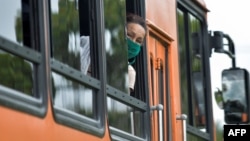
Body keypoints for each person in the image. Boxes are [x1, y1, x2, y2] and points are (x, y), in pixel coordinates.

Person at [126, 13, 146, 93]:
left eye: (138, 41)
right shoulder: (89, 47)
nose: (133, 42)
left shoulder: (129, 72)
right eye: (129, 35)